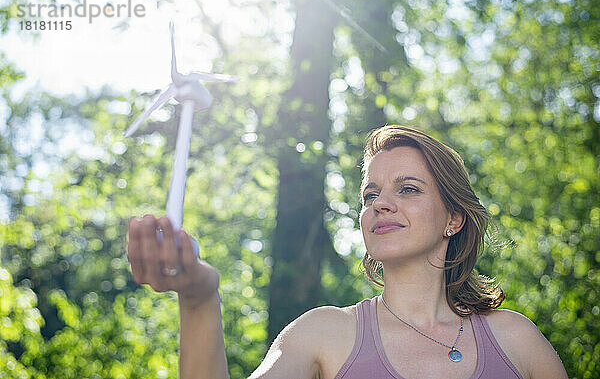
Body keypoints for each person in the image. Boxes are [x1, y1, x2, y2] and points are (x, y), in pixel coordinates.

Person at [126, 125, 568, 379]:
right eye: (369, 194)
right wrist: (200, 297)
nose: (380, 204)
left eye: (408, 189)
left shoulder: (515, 340)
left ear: (454, 219)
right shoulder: (323, 334)